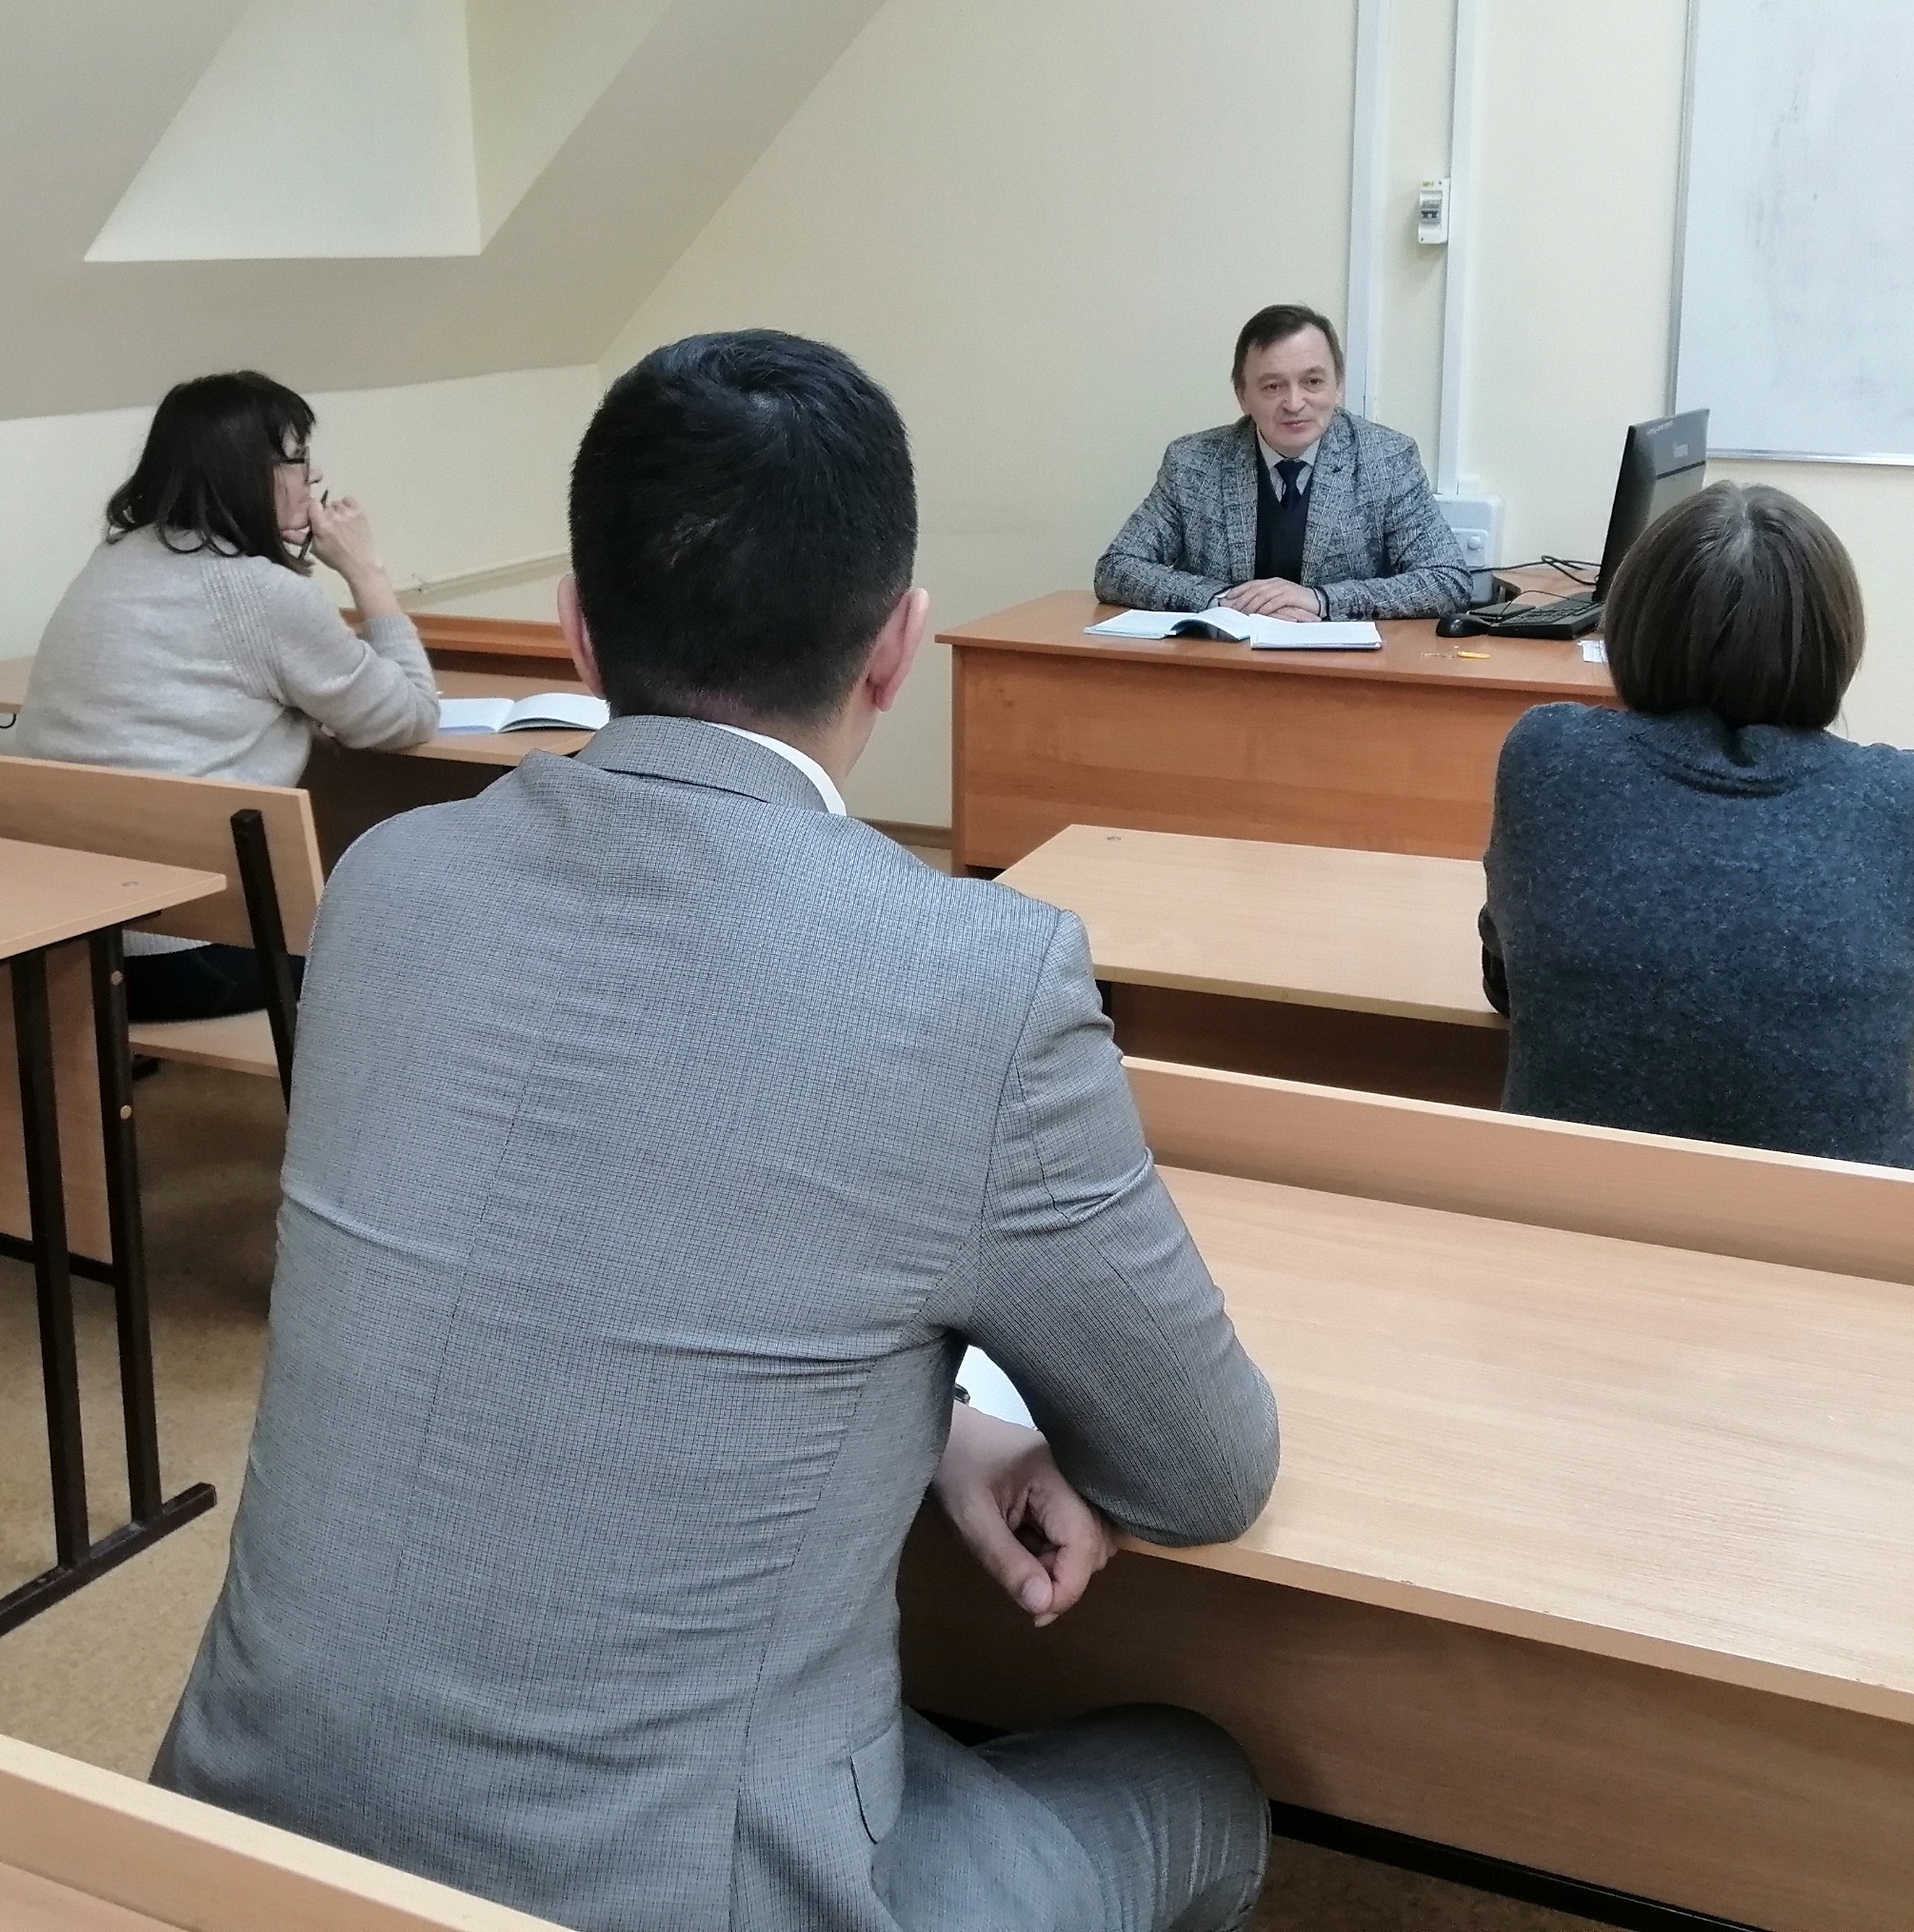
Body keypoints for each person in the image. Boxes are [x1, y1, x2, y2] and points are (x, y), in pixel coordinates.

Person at [155, 330, 1282, 1932]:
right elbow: (1204, 1470)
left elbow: (566, 1244)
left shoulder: (388, 888)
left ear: (575, 623)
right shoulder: (972, 973)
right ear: (897, 648)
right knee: (1198, 1775)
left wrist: (922, 1427)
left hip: (238, 1836)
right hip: (684, 1893)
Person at [1480, 483, 1914, 1168]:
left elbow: (1507, 982)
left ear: (1632, 627)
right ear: (1837, 639)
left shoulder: (1547, 755)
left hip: (1569, 1210)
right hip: (1851, 1227)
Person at [17, 370, 439, 1021]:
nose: (315, 475)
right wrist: (366, 572)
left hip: (68, 946)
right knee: (420, 934)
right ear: (249, 472)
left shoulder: (114, 560)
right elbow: (410, 717)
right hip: (188, 956)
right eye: (298, 458)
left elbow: (199, 692)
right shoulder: (262, 594)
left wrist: (292, 713)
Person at [1094, 303, 1483, 623]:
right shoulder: (1193, 464)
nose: (1294, 403)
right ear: (1242, 396)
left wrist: (1322, 600)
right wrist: (1225, 600)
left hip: (1343, 674)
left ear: (1338, 385)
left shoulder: (1387, 458)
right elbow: (1117, 568)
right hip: (1221, 670)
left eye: (1312, 382)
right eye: (1273, 386)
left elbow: (1447, 580)